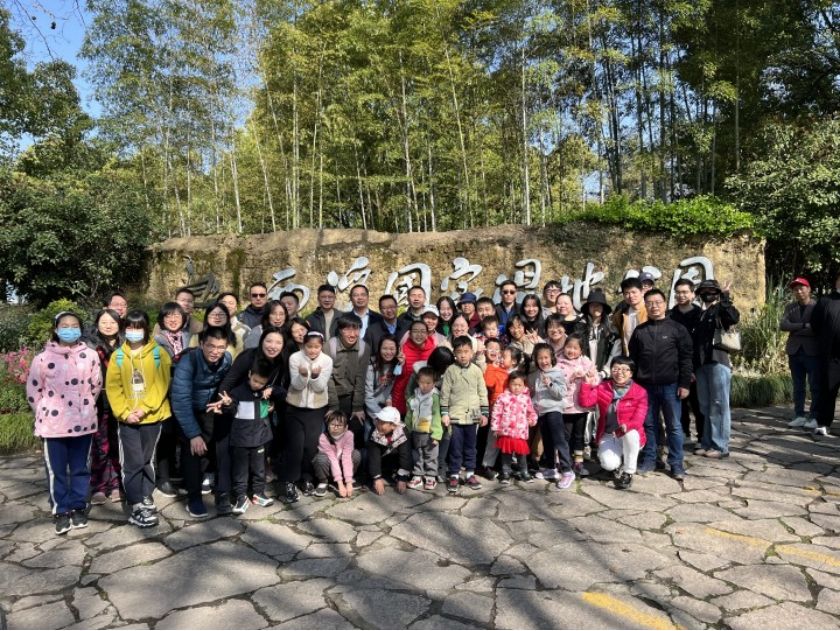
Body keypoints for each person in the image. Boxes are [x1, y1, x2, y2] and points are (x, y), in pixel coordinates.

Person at [28, 312, 103, 535]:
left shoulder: (90, 355)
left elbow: (96, 385)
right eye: (65, 325)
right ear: (56, 329)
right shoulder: (42, 358)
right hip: (53, 425)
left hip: (83, 423)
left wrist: (85, 406)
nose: (70, 329)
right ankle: (60, 510)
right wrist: (45, 410)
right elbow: (34, 390)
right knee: (57, 471)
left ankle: (78, 507)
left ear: (80, 328)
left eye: (74, 325)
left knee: (80, 468)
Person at [106, 310, 172, 528]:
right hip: (127, 421)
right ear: (124, 329)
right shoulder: (118, 356)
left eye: (138, 327)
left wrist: (144, 409)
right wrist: (125, 413)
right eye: (130, 327)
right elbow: (113, 388)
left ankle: (146, 494)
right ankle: (136, 505)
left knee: (147, 460)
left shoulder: (159, 354)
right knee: (132, 462)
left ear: (146, 329)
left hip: (152, 418)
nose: (134, 331)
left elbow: (161, 385)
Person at [629, 289, 692, 478]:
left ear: (665, 304)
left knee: (674, 426)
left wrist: (684, 384)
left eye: (658, 302)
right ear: (645, 306)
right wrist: (634, 386)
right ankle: (650, 459)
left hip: (670, 386)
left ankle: (676, 463)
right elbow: (633, 360)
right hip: (645, 387)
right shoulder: (640, 331)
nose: (654, 306)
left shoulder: (677, 329)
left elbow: (686, 358)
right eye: (650, 303)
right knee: (649, 424)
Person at [171, 326, 233, 519]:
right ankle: (194, 498)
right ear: (201, 344)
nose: (215, 351)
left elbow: (228, 385)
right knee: (193, 449)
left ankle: (208, 483)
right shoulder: (188, 362)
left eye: (220, 347)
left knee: (212, 445)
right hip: (187, 409)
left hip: (210, 408)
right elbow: (180, 400)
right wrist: (193, 434)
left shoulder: (227, 359)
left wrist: (226, 401)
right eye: (211, 346)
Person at [218, 326, 288, 482]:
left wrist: (273, 400)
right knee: (235, 448)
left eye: (278, 342)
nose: (273, 346)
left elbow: (280, 388)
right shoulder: (248, 356)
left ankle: (258, 477)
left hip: (260, 408)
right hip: (239, 406)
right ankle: (228, 484)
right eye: (269, 341)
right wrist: (223, 401)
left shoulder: (281, 361)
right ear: (262, 341)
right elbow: (229, 382)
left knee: (262, 442)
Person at [580, 356, 648, 490]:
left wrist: (627, 426)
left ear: (631, 373)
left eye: (624, 369)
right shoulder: (603, 387)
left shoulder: (640, 392)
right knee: (608, 465)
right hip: (609, 434)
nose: (619, 372)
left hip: (629, 435)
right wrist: (586, 384)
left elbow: (639, 418)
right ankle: (618, 463)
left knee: (631, 433)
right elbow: (585, 402)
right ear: (611, 371)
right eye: (616, 369)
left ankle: (628, 472)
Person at [281, 331, 333, 502]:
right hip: (295, 408)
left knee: (311, 446)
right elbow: (295, 385)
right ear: (303, 345)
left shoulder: (326, 360)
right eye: (309, 346)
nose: (312, 350)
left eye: (317, 347)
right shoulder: (295, 358)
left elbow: (319, 387)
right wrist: (303, 375)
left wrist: (315, 376)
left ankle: (307, 478)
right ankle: (290, 481)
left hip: (316, 409)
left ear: (322, 346)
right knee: (295, 446)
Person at [222, 358, 275, 515]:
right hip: (241, 439)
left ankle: (258, 493)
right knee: (240, 471)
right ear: (250, 374)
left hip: (260, 438)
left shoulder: (266, 392)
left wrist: (271, 394)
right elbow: (230, 411)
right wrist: (227, 404)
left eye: (262, 383)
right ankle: (241, 496)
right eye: (255, 381)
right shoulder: (238, 392)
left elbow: (279, 395)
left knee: (259, 469)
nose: (257, 385)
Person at [692, 279, 740, 452]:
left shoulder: (721, 309)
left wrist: (725, 297)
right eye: (703, 291)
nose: (707, 293)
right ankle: (707, 443)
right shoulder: (701, 314)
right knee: (705, 405)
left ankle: (720, 446)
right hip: (701, 364)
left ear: (717, 293)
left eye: (711, 290)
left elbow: (733, 317)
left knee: (719, 405)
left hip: (718, 361)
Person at [153, 302, 194, 497]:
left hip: (187, 393)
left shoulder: (191, 337)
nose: (173, 319)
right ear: (162, 320)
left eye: (177, 315)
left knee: (186, 434)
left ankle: (185, 473)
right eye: (168, 316)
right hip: (165, 393)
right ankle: (164, 478)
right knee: (166, 435)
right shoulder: (155, 341)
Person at [441, 336, 489, 493]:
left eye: (466, 351)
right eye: (459, 352)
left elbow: (482, 392)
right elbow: (445, 394)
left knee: (470, 447)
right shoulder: (450, 370)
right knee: (455, 447)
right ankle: (454, 474)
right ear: (454, 353)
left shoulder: (476, 370)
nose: (463, 355)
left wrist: (484, 413)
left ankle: (470, 473)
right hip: (455, 416)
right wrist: (445, 413)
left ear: (472, 353)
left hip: (473, 416)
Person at [85, 309, 123, 505]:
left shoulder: (126, 344)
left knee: (117, 443)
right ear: (97, 324)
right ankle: (99, 485)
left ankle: (116, 484)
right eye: (104, 322)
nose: (108, 325)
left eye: (112, 322)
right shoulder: (89, 346)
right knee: (100, 445)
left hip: (121, 400)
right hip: (98, 400)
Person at [529, 343, 574, 489]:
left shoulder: (557, 373)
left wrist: (550, 384)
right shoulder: (538, 374)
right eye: (540, 358)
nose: (544, 361)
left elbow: (561, 393)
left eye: (546, 357)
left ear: (551, 358)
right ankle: (551, 468)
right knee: (547, 441)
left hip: (554, 410)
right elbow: (537, 395)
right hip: (542, 412)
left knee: (559, 440)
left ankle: (567, 471)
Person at [781, 277, 820, 429]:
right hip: (794, 351)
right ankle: (799, 415)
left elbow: (817, 328)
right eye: (795, 289)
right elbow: (783, 325)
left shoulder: (817, 307)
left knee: (814, 386)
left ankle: (814, 416)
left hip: (812, 352)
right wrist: (804, 325)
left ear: (809, 289)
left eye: (801, 288)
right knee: (798, 386)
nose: (798, 291)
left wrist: (795, 328)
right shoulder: (790, 307)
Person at [326, 313, 371, 448]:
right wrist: (333, 406)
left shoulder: (364, 348)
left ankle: (356, 459)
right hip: (333, 397)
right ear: (340, 330)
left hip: (353, 397)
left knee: (356, 431)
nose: (352, 334)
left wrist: (357, 407)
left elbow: (360, 378)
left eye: (356, 329)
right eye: (347, 329)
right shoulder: (329, 346)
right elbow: (328, 378)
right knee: (334, 433)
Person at [669, 279, 704, 445]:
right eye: (678, 292)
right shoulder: (670, 315)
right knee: (680, 402)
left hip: (697, 365)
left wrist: (693, 369)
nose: (681, 295)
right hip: (676, 365)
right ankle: (684, 433)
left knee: (698, 403)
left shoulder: (700, 315)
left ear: (692, 294)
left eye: (685, 292)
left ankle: (702, 436)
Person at [558, 335, 599, 476]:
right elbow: (556, 383)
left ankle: (578, 462)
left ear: (581, 350)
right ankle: (564, 461)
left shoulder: (586, 362)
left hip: (581, 406)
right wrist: (571, 378)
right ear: (564, 347)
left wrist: (591, 377)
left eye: (576, 348)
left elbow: (595, 382)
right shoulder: (558, 362)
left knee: (579, 435)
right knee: (566, 435)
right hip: (566, 407)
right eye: (569, 347)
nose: (571, 351)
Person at [491, 371, 537, 483]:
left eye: (519, 385)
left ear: (524, 386)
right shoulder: (503, 397)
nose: (516, 387)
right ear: (509, 384)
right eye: (514, 384)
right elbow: (496, 413)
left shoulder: (526, 399)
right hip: (506, 431)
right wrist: (495, 427)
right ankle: (506, 472)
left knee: (521, 454)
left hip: (520, 432)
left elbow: (531, 412)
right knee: (506, 454)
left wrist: (532, 420)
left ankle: (524, 472)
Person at [405, 366, 443, 491]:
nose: (425, 386)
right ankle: (418, 476)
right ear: (417, 382)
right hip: (416, 432)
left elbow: (437, 416)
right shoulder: (414, 396)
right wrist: (407, 428)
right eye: (422, 382)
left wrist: (436, 434)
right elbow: (410, 414)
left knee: (431, 456)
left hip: (430, 433)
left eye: (428, 383)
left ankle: (431, 476)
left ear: (434, 383)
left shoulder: (434, 397)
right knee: (418, 455)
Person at [812, 271, 840, 436]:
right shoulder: (825, 301)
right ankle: (824, 423)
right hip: (831, 356)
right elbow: (815, 324)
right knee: (828, 389)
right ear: (837, 281)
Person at [392, 319, 437, 415]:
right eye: (415, 331)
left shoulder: (433, 350)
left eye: (422, 331)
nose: (419, 334)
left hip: (425, 398)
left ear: (427, 334)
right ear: (410, 334)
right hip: (402, 396)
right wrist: (400, 364)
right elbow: (396, 374)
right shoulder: (401, 349)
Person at [313, 411, 360, 498]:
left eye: (339, 425)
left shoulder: (349, 435)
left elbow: (347, 457)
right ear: (328, 425)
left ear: (346, 427)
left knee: (356, 454)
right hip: (329, 468)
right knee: (320, 458)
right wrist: (340, 484)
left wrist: (348, 482)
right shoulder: (323, 437)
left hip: (342, 467)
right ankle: (323, 481)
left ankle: (348, 479)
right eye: (332, 424)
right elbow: (333, 459)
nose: (335, 427)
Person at [368, 406, 411, 495]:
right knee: (366, 455)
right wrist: (377, 478)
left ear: (393, 425)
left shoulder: (402, 432)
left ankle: (397, 475)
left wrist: (402, 478)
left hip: (395, 460)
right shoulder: (374, 432)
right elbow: (374, 457)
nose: (379, 425)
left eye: (383, 423)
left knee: (412, 456)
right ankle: (379, 476)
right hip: (381, 460)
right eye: (378, 421)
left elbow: (405, 455)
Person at [365, 335, 398, 423]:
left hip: (385, 408)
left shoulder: (396, 365)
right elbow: (368, 396)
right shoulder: (371, 364)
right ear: (379, 349)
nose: (388, 352)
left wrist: (388, 400)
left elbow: (391, 388)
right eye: (385, 348)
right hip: (371, 408)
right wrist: (382, 416)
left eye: (392, 349)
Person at [612, 277, 647, 355]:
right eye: (626, 293)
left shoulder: (650, 311)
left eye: (634, 292)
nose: (631, 296)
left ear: (642, 292)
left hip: (648, 357)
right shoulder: (620, 315)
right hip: (628, 358)